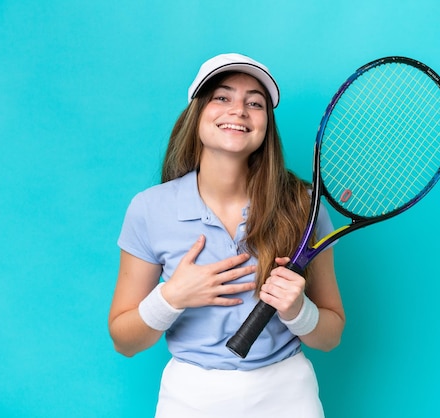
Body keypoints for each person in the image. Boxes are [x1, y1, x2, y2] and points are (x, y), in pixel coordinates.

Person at [108, 53, 345, 418]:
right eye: (222, 97)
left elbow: (330, 337)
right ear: (197, 113)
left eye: (255, 102)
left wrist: (299, 311)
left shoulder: (303, 205)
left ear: (267, 123)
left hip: (287, 396)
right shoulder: (149, 209)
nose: (239, 110)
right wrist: (171, 297)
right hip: (189, 397)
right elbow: (124, 340)